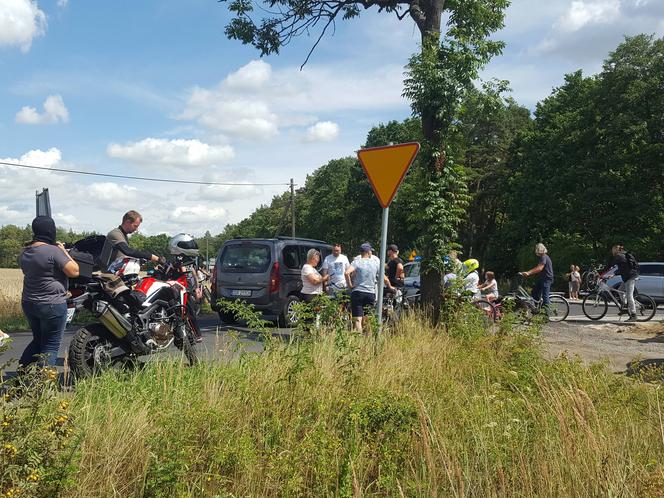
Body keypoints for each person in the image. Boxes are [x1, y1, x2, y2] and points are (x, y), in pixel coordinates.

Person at [19, 216, 79, 367]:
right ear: (50, 230)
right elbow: (74, 271)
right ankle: (42, 385)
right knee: (50, 346)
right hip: (52, 305)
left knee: (38, 341)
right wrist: (64, 251)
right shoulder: (53, 251)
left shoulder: (25, 252)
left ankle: (21, 377)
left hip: (29, 303)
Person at [100, 210, 164, 270]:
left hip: (119, 272)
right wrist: (153, 257)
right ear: (127, 222)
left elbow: (125, 256)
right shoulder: (115, 233)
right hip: (110, 274)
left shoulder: (123, 235)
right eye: (135, 226)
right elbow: (128, 251)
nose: (136, 229)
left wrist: (142, 260)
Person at [345, 242, 380, 332]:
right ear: (368, 252)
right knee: (368, 318)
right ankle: (367, 338)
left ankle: (359, 340)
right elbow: (383, 277)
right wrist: (390, 286)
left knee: (357, 319)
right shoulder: (375, 263)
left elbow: (347, 273)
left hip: (358, 292)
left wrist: (350, 285)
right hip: (370, 293)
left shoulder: (356, 262)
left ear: (361, 252)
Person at [606, 245, 639, 321]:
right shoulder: (622, 255)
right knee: (620, 290)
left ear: (615, 250)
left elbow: (610, 265)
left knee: (629, 295)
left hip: (630, 277)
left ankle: (634, 315)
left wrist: (601, 273)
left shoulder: (619, 256)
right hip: (627, 277)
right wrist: (614, 274)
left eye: (612, 250)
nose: (612, 252)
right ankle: (625, 307)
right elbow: (622, 268)